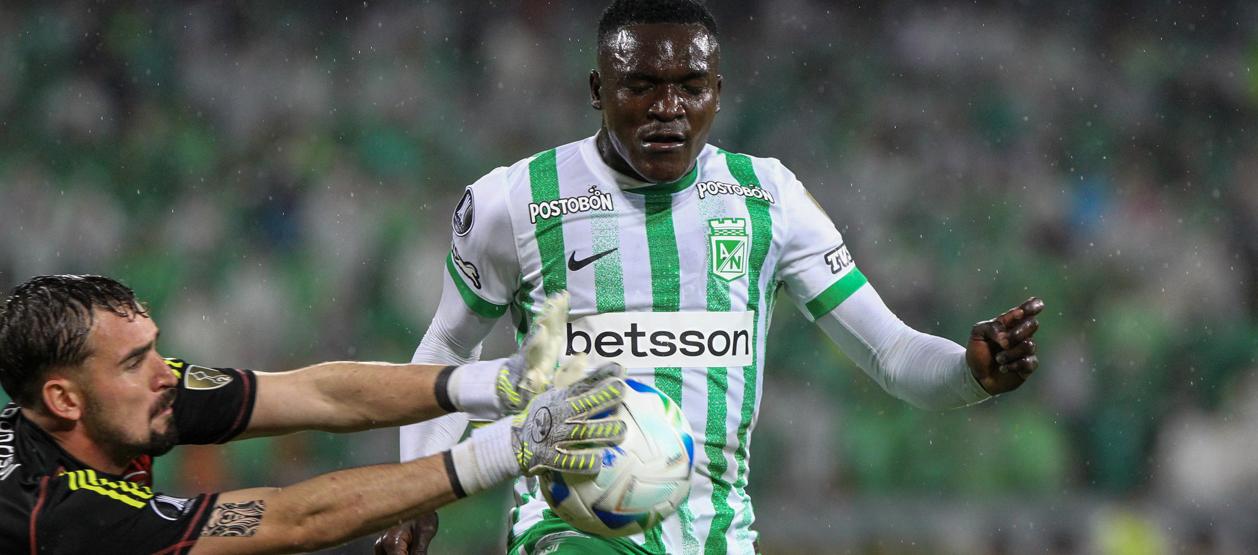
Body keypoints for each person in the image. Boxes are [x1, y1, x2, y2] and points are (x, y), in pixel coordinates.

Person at [380, 1, 1045, 553]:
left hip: (719, 536)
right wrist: (413, 493)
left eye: (690, 87)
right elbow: (447, 350)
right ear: (597, 91)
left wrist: (971, 372)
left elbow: (893, 352)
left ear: (717, 94)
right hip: (570, 529)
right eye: (640, 84)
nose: (668, 106)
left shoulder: (768, 198)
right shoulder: (517, 199)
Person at [0, 274, 626, 554]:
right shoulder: (50, 514)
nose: (168, 372)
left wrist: (494, 382)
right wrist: (507, 447)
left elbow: (318, 394)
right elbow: (293, 521)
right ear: (63, 400)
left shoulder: (132, 398)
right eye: (136, 361)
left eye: (156, 347)